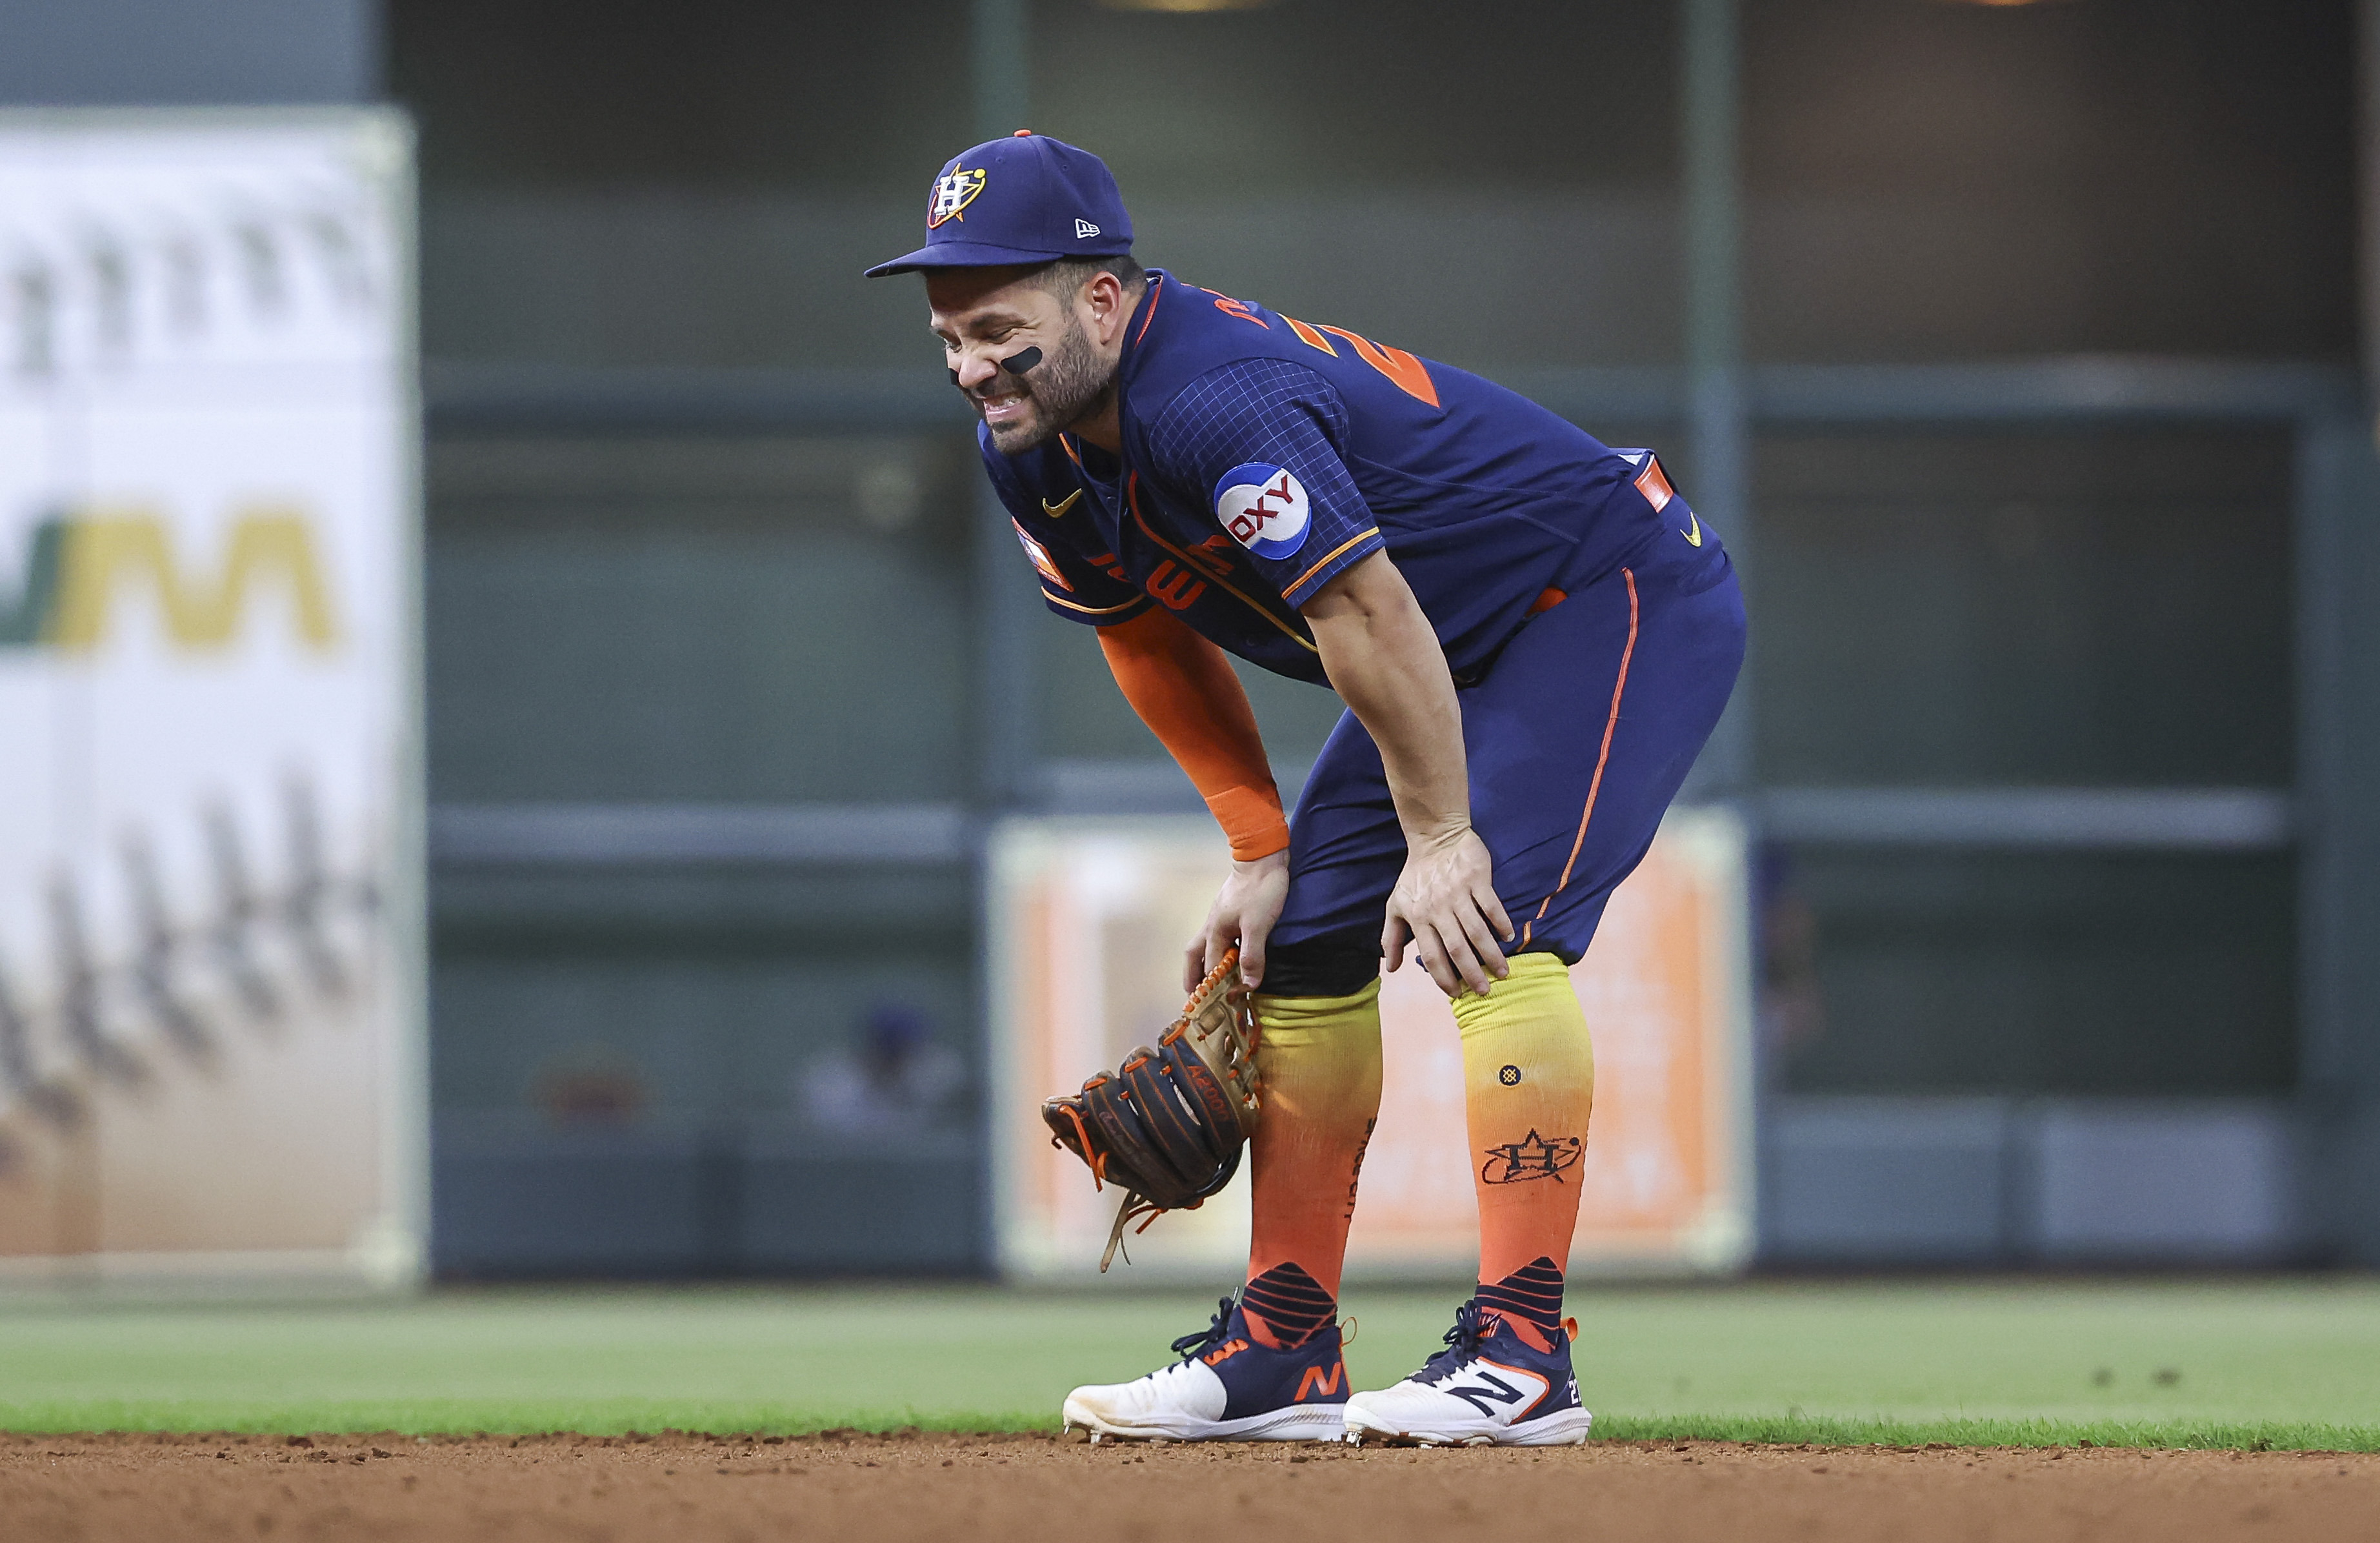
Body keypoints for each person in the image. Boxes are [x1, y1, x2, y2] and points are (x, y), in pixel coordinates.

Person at [866, 134, 1745, 1446]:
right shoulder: (1029, 444)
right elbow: (1142, 633)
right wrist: (1259, 839)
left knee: (1482, 924)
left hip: (1603, 588)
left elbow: (1363, 609)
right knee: (1300, 952)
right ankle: (1286, 1346)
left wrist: (1443, 834)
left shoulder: (1211, 400)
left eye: (998, 324)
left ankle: (1521, 1357)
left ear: (1100, 296)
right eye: (947, 331)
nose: (969, 361)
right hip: (1443, 644)